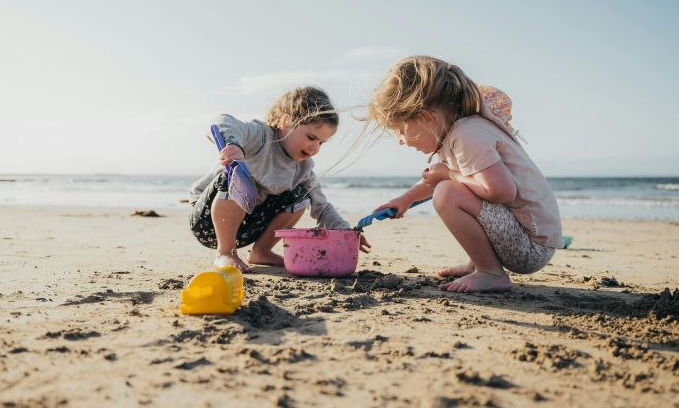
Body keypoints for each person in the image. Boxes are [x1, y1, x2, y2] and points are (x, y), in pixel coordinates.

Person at [366, 56, 562, 292]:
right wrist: (405, 200)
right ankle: (479, 262)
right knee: (447, 187)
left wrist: (449, 175)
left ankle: (490, 272)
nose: (400, 141)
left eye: (400, 130)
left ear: (426, 118)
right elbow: (436, 179)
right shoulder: (456, 133)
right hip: (521, 238)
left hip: (531, 246)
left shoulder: (468, 134)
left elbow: (501, 191)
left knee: (447, 193)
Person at [190, 86, 370, 272]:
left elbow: (322, 208)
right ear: (286, 122)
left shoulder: (303, 169)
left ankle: (261, 251)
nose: (315, 148)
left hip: (247, 227)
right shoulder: (260, 136)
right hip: (208, 221)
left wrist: (345, 232)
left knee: (302, 196)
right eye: (311, 137)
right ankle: (225, 252)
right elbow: (222, 121)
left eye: (321, 143)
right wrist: (233, 145)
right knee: (235, 176)